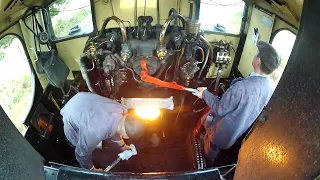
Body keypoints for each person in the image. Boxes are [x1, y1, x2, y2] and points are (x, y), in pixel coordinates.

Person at [194, 41, 281, 163]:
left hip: (220, 134)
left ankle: (206, 164)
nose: (254, 56)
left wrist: (204, 93)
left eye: (257, 54)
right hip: (237, 133)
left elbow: (220, 108)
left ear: (258, 61)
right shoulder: (271, 86)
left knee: (209, 151)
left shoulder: (242, 87)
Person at [61, 92, 146, 171]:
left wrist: (123, 146)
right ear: (126, 136)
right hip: (71, 113)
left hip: (81, 98)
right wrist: (92, 170)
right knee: (78, 144)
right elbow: (81, 154)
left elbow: (115, 126)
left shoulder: (121, 109)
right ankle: (71, 144)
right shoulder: (95, 132)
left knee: (106, 130)